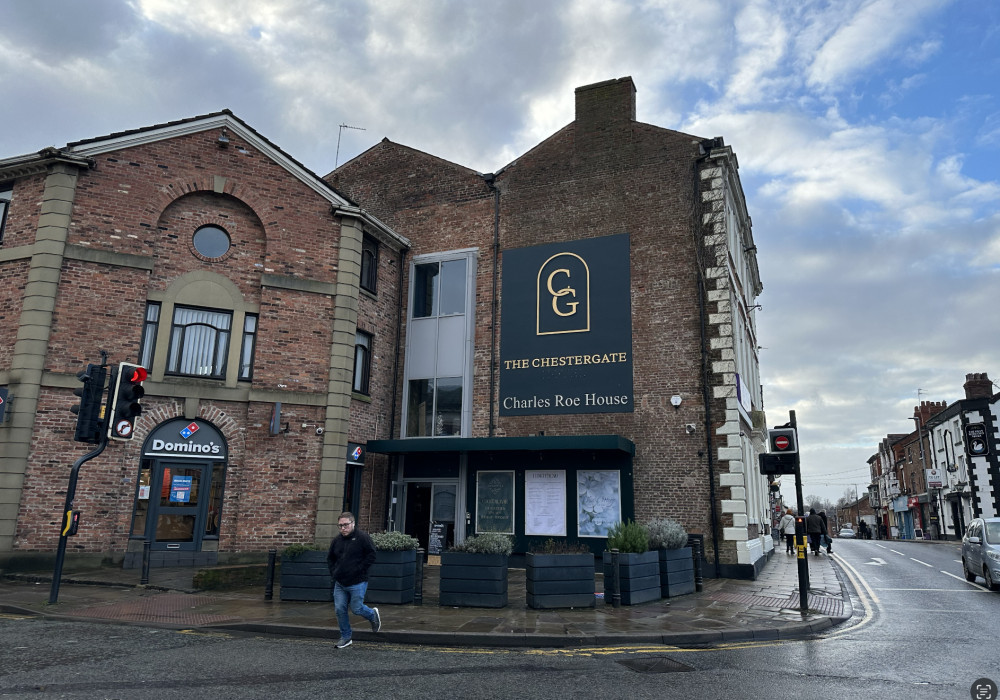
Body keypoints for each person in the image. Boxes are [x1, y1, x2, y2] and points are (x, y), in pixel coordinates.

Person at [327, 511, 380, 648]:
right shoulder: (336, 541)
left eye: (346, 525)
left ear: (353, 523)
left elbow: (372, 554)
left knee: (357, 609)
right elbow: (330, 558)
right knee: (340, 610)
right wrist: (334, 572)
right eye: (340, 526)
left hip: (358, 581)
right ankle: (346, 637)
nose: (343, 528)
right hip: (340, 583)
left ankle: (372, 614)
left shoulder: (362, 537)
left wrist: (359, 569)